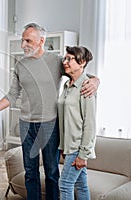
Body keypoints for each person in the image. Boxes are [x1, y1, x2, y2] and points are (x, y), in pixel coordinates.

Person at [0, 23, 99, 200]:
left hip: (50, 125)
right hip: (26, 125)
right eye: (22, 40)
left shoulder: (57, 61)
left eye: (28, 40)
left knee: (51, 172)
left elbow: (80, 74)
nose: (23, 45)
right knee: (30, 171)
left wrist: (97, 81)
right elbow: (12, 94)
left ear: (41, 41)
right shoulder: (20, 65)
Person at [58, 46, 96, 200]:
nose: (65, 62)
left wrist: (83, 154)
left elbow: (90, 124)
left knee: (65, 184)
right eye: (65, 58)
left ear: (82, 62)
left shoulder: (86, 86)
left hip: (77, 147)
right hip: (69, 146)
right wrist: (63, 145)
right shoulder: (67, 85)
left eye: (70, 59)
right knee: (81, 185)